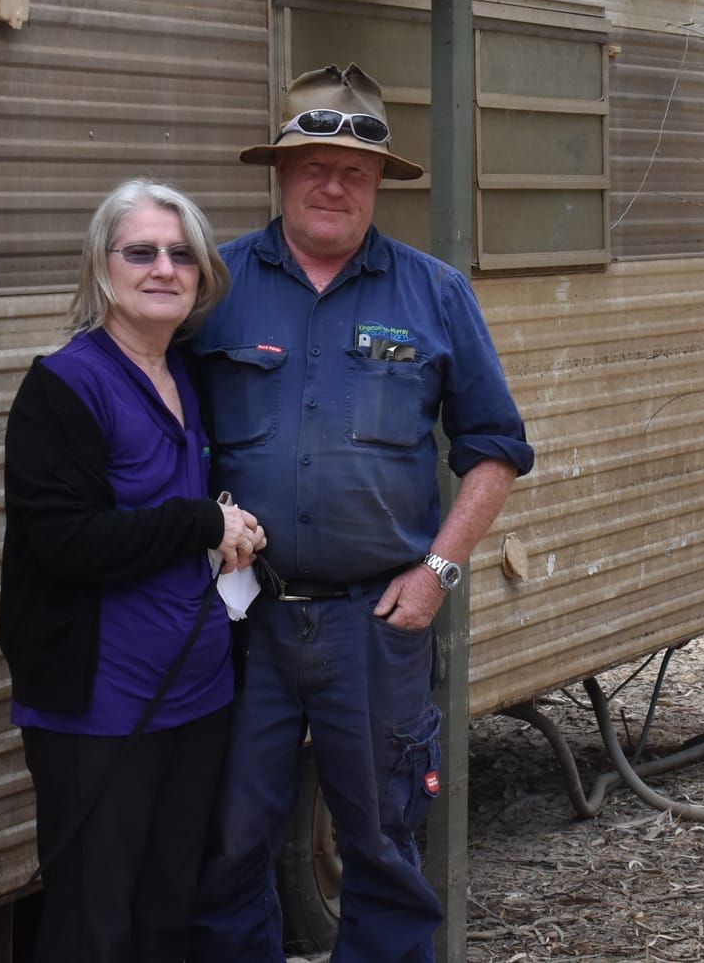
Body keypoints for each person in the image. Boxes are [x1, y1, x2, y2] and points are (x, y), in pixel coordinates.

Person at [187, 64, 535, 963]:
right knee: (229, 845)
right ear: (279, 171)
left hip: (376, 622)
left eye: (354, 168)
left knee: (380, 845)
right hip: (243, 620)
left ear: (381, 182)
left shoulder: (434, 293)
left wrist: (438, 574)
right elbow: (157, 420)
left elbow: (495, 447)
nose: (332, 183)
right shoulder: (213, 285)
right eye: (312, 163)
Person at [0, 178, 269, 963]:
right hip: (101, 708)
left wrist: (227, 529)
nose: (163, 268)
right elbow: (64, 540)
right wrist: (200, 522)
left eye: (182, 253)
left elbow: (172, 510)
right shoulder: (64, 384)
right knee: (93, 923)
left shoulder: (181, 371)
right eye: (141, 251)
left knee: (166, 910)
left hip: (196, 695)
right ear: (102, 264)